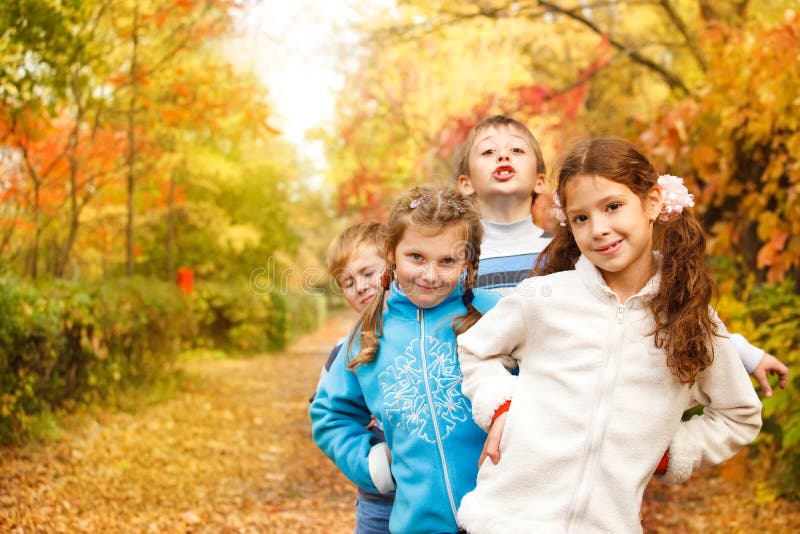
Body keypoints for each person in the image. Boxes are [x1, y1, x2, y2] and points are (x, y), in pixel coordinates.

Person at [455, 137, 763, 533]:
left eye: (613, 207)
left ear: (652, 202)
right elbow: (476, 349)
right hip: (501, 522)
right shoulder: (545, 297)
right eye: (581, 218)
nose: (599, 229)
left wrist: (670, 453)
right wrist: (501, 408)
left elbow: (739, 414)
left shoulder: (690, 318)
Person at [456, 114, 788, 396]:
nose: (503, 157)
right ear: (465, 182)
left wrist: (742, 352)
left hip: (558, 405)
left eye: (516, 149)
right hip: (479, 397)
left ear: (542, 182)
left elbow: (663, 307)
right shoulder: (451, 260)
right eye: (488, 151)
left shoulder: (575, 255)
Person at [310, 185, 501, 534]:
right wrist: (374, 465)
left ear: (468, 262)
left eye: (447, 261)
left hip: (506, 518)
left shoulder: (496, 314)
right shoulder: (368, 336)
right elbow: (330, 415)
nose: (430, 275)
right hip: (417, 524)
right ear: (391, 253)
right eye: (416, 257)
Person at [311, 221, 394, 534]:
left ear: (394, 266)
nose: (359, 287)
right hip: (381, 502)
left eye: (368, 274)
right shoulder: (344, 353)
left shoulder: (433, 331)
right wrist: (373, 464)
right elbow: (330, 419)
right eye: (347, 281)